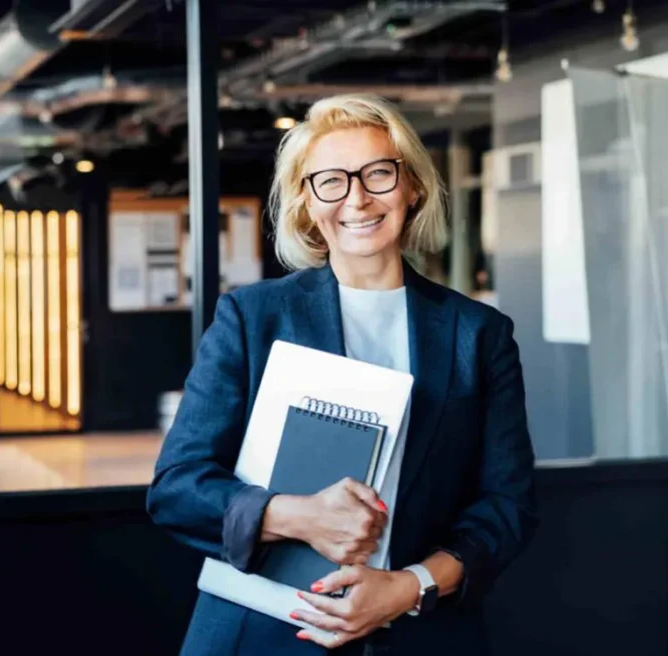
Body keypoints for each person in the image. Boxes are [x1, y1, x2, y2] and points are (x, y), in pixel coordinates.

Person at [146, 93, 538, 656]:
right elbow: (176, 488)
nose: (357, 198)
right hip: (260, 633)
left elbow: (507, 505)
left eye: (378, 173)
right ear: (307, 203)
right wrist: (296, 516)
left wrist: (411, 587)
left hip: (417, 636)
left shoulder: (479, 334)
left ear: (412, 186)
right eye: (331, 181)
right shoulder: (252, 318)